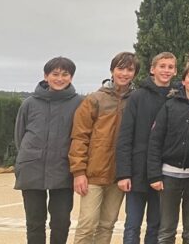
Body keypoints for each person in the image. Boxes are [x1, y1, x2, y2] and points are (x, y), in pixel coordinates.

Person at [70, 52, 139, 244]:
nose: (124, 73)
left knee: (107, 225)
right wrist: (78, 172)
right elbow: (79, 137)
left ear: (135, 73)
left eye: (129, 69)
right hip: (93, 173)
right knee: (87, 225)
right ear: (112, 70)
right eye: (120, 68)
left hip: (119, 174)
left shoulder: (136, 100)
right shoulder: (94, 99)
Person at [15, 57, 84, 244]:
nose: (59, 78)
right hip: (31, 169)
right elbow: (20, 135)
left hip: (63, 169)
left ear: (71, 77)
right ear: (46, 76)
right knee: (34, 222)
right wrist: (27, 157)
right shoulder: (29, 103)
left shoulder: (79, 103)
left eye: (65, 74)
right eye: (55, 74)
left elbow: (82, 135)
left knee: (61, 222)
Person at [148, 63, 189, 244]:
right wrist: (154, 175)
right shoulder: (170, 105)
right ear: (183, 81)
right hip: (169, 175)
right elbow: (155, 141)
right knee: (166, 229)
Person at [117, 52, 177, 244]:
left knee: (156, 226)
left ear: (175, 71)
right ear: (153, 69)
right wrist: (123, 173)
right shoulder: (138, 96)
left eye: (170, 67)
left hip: (164, 172)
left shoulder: (177, 97)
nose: (166, 70)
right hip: (137, 171)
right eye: (162, 66)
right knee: (132, 225)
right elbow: (125, 137)